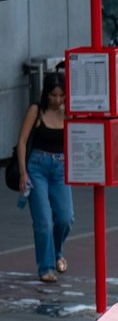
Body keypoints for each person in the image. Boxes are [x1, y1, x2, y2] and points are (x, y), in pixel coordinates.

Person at [13, 72, 73, 285]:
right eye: (53, 95)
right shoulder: (36, 110)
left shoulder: (68, 112)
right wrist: (23, 172)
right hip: (36, 168)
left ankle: (57, 251)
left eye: (61, 95)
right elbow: (21, 141)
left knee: (66, 217)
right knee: (43, 222)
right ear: (46, 94)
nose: (57, 100)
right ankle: (46, 267)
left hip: (60, 168)